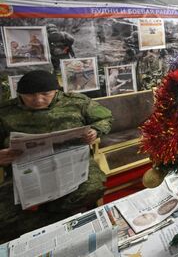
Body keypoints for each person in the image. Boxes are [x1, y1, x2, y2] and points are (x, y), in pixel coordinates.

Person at [0, 70, 112, 243]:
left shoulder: (77, 102)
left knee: (92, 188)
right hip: (26, 173)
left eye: (46, 94)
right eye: (29, 96)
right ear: (19, 94)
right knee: (5, 217)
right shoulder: (5, 112)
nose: (38, 100)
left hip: (71, 166)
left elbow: (105, 117)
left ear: (56, 91)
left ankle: (50, 223)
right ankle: (53, 226)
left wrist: (95, 131)